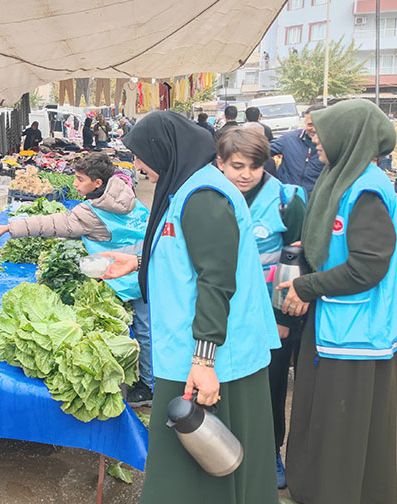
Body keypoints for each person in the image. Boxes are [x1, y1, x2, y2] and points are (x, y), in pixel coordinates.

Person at [99, 111, 280, 504]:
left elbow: (216, 281)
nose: (138, 167)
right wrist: (138, 261)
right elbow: (187, 256)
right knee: (191, 465)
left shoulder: (204, 196)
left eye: (140, 155)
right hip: (190, 349)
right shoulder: (188, 188)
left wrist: (204, 361)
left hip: (212, 357)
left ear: (165, 149)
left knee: (207, 462)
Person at [278, 99, 397, 504]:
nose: (315, 142)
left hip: (358, 332)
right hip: (333, 318)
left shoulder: (367, 191)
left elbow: (368, 267)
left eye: (320, 134)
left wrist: (308, 285)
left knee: (344, 420)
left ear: (350, 136)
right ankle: (314, 487)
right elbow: (336, 241)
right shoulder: (340, 178)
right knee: (319, 412)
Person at [0, 153, 155, 406]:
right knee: (147, 329)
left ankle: (133, 385)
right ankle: (152, 383)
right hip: (146, 267)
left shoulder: (90, 213)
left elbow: (55, 223)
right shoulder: (125, 194)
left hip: (120, 275)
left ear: (97, 183)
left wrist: (11, 227)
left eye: (80, 179)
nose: (75, 184)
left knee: (120, 330)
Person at [215, 127, 307, 490]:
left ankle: (270, 451)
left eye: (254, 166)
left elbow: (299, 262)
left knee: (269, 385)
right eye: (237, 165)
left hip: (270, 314)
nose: (245, 174)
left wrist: (284, 317)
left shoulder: (287, 199)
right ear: (220, 163)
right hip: (222, 310)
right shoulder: (209, 195)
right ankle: (224, 450)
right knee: (223, 382)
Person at [269, 105, 326, 196]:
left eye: (318, 124)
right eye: (310, 124)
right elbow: (261, 152)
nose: (314, 129)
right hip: (287, 196)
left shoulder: (332, 146)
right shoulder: (288, 139)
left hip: (315, 198)